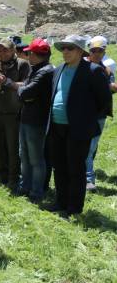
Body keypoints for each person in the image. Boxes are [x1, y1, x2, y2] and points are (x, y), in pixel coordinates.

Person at [47, 35, 111, 217]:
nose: (65, 51)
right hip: (56, 126)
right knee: (59, 166)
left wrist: (85, 117)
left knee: (75, 168)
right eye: (63, 48)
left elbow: (104, 100)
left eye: (70, 48)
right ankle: (61, 202)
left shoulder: (92, 71)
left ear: (80, 51)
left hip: (78, 128)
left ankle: (74, 208)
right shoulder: (58, 69)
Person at [0, 39, 30, 190]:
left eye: (5, 50)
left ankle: (13, 179)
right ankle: (0, 177)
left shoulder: (22, 65)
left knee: (12, 148)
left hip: (13, 114)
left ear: (12, 51)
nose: (2, 53)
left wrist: (8, 82)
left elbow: (26, 85)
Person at [17, 38, 54, 202]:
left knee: (36, 158)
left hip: (37, 121)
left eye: (29, 52)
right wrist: (24, 92)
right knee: (24, 155)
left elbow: (25, 92)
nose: (27, 55)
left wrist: (23, 92)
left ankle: (36, 191)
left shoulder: (45, 71)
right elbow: (26, 91)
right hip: (27, 118)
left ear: (34, 54)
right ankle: (26, 186)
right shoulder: (37, 69)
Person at [84, 36, 116, 191]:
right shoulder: (81, 66)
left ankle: (86, 178)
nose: (97, 53)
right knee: (86, 147)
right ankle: (87, 179)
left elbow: (110, 90)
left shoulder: (107, 70)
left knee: (91, 147)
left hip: (99, 114)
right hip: (83, 113)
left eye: (100, 50)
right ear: (89, 50)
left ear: (104, 51)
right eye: (93, 50)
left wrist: (111, 87)